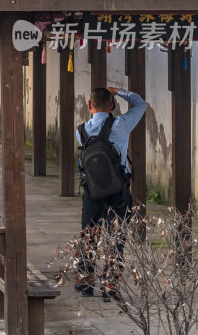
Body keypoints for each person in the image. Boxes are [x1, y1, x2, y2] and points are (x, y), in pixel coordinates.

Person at [74, 86, 147, 301]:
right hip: (118, 191)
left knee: (89, 235)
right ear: (112, 105)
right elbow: (141, 104)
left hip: (92, 191)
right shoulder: (121, 125)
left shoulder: (81, 131)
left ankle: (85, 282)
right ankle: (109, 286)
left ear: (89, 105)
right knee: (116, 238)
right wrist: (119, 91)